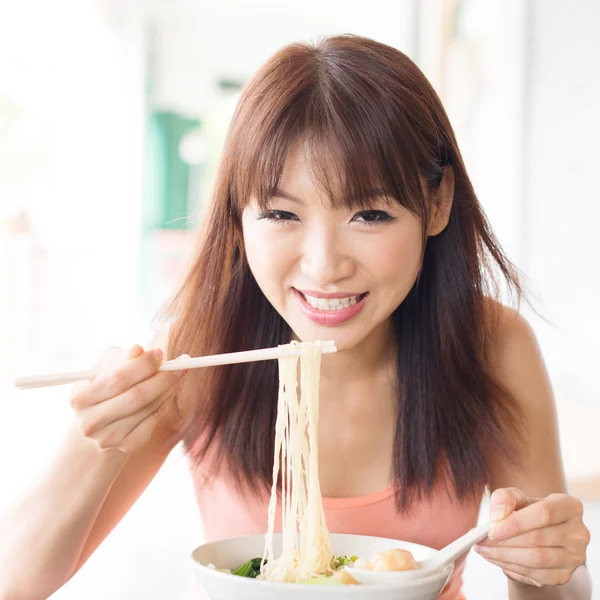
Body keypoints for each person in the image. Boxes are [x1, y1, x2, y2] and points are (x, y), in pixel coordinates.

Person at [0, 35, 591, 600]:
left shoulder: (490, 344)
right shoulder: (197, 350)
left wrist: (546, 564)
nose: (324, 266)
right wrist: (94, 440)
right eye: (283, 214)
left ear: (436, 205)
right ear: (238, 215)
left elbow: (557, 590)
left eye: (370, 215)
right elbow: (15, 581)